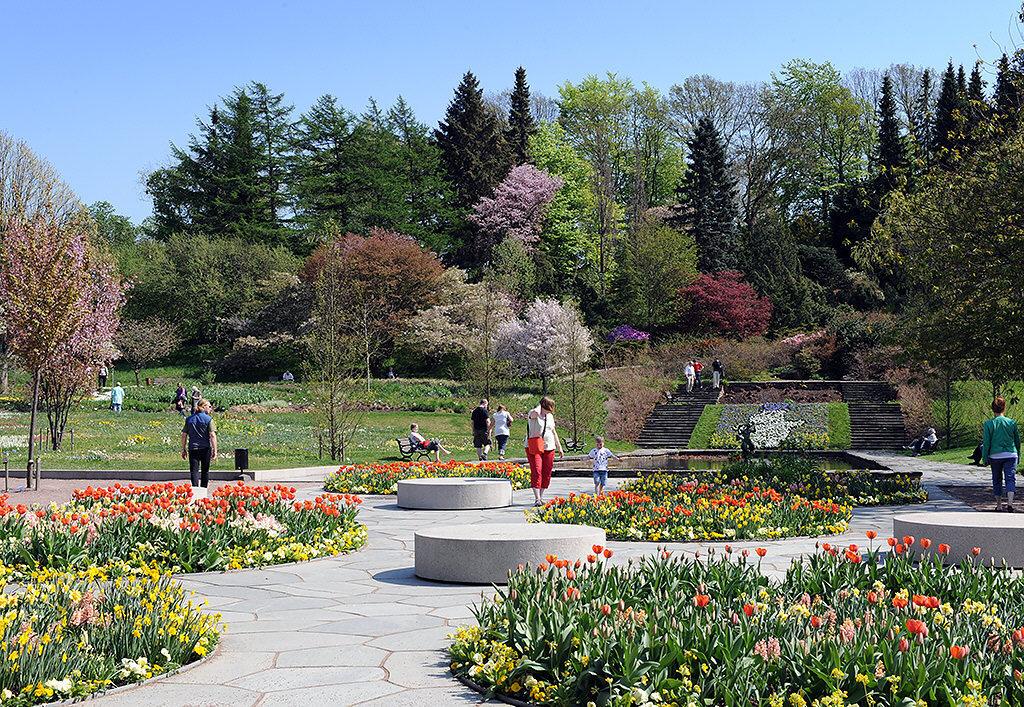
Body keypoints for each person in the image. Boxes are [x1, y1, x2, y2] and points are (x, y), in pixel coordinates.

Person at [983, 396, 1021, 512]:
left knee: (997, 479)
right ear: (1004, 408)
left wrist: (985, 457)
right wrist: (1018, 454)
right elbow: (1017, 441)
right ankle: (1010, 503)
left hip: (995, 455)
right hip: (1011, 454)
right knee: (1010, 479)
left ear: (992, 409)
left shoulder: (989, 424)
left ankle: (999, 505)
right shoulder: (1011, 423)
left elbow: (986, 443)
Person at [525, 396, 563, 506]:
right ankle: (537, 498)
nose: (551, 410)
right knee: (537, 470)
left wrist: (559, 446)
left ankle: (541, 496)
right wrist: (540, 406)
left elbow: (553, 431)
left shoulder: (550, 416)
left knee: (547, 471)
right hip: (534, 446)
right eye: (549, 407)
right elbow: (534, 413)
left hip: (549, 446)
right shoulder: (534, 413)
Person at [181, 399, 217, 488]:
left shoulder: (189, 419)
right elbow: (212, 435)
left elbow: (184, 435)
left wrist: (183, 449)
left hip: (193, 448)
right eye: (209, 406)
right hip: (205, 448)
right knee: (205, 471)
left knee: (194, 471)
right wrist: (215, 450)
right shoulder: (208, 419)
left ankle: (195, 490)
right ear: (203, 407)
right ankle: (204, 490)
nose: (210, 408)